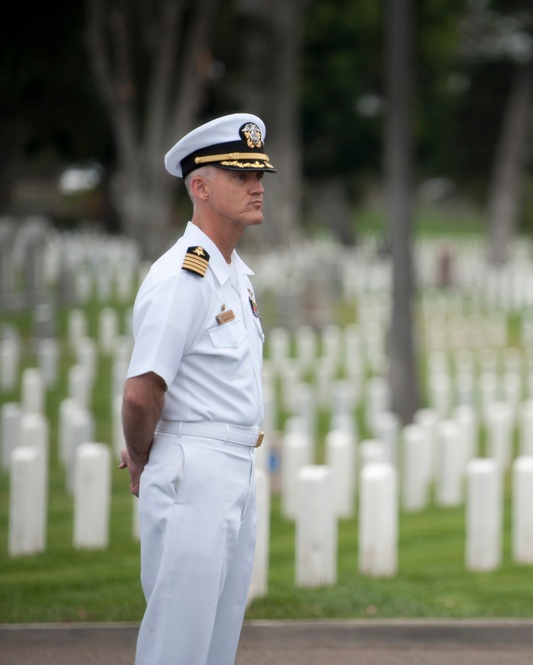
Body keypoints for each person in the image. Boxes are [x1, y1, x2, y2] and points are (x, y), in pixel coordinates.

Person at [118, 113, 275, 665]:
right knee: (178, 645)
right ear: (200, 186)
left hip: (234, 465)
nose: (257, 186)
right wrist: (140, 458)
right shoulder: (184, 274)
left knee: (215, 644)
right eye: (239, 174)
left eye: (258, 174)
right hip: (194, 468)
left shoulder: (234, 274)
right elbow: (142, 391)